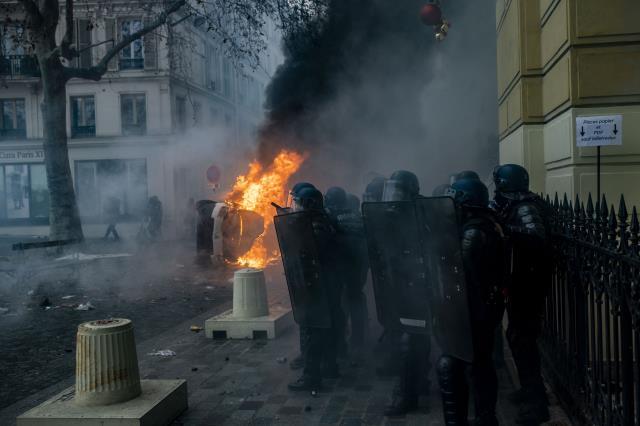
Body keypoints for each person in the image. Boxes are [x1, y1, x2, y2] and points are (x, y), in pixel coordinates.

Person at [436, 178, 506, 426]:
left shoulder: (473, 233)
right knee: (479, 364)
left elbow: (463, 276)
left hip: (474, 310)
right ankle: (486, 418)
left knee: (456, 364)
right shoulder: (483, 224)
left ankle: (479, 419)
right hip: (481, 307)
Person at [491, 164, 551, 425]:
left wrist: (507, 230)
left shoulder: (524, 207)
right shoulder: (514, 205)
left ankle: (538, 406)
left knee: (523, 339)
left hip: (529, 285)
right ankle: (530, 391)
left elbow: (536, 236)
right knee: (516, 337)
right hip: (521, 283)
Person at [380, 170, 432, 416]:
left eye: (398, 190)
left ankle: (406, 395)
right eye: (392, 190)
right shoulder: (394, 214)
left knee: (411, 342)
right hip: (402, 286)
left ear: (411, 191)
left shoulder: (422, 213)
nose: (393, 196)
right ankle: (419, 383)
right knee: (416, 339)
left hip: (418, 286)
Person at [285, 186, 341, 390]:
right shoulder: (320, 221)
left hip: (319, 286)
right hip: (325, 284)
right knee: (324, 327)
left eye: (297, 203)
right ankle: (329, 367)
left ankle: (311, 377)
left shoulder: (317, 227)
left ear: (309, 205)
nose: (294, 207)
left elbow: (309, 256)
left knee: (310, 328)